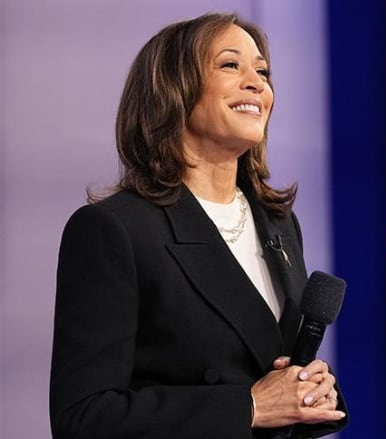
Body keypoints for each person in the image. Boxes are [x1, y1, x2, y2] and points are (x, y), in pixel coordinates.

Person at [50, 13, 347, 438]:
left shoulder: (279, 223)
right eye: (231, 65)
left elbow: (269, 367)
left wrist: (308, 393)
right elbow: (82, 417)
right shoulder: (113, 230)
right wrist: (248, 406)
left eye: (262, 71)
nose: (256, 83)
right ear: (173, 90)